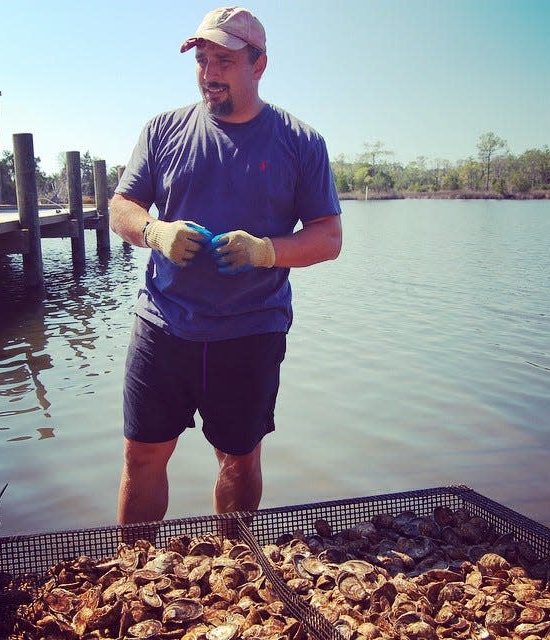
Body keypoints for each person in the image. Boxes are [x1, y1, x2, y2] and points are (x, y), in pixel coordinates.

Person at [110, 6, 342, 524]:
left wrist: (266, 250)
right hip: (163, 322)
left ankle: (232, 565)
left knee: (239, 458)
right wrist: (155, 232)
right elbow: (120, 207)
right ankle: (133, 577)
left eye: (225, 61)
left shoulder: (300, 142)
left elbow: (329, 238)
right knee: (141, 453)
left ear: (259, 65)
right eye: (203, 60)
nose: (210, 73)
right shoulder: (163, 130)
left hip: (251, 328)